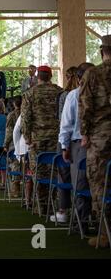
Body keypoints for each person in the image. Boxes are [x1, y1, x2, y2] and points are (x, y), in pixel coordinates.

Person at [79, 35, 111, 248]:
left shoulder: (93, 74)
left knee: (99, 184)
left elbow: (86, 107)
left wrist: (85, 133)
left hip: (101, 138)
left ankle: (105, 234)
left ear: (102, 52)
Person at [55, 63, 94, 228]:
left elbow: (66, 124)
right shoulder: (103, 93)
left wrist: (64, 147)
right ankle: (98, 223)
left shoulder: (73, 95)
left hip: (80, 144)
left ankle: (81, 223)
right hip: (100, 143)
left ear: (78, 78)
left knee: (80, 185)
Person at [21, 65, 63, 215]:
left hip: (37, 140)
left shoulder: (30, 93)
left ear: (38, 76)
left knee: (38, 172)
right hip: (56, 138)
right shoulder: (60, 92)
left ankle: (41, 206)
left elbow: (26, 118)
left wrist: (27, 138)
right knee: (55, 171)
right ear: (50, 76)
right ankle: (55, 205)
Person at [50, 66, 80, 223]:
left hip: (68, 138)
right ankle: (82, 212)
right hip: (85, 140)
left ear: (68, 77)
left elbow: (62, 121)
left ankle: (63, 211)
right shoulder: (89, 93)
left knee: (63, 174)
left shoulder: (65, 95)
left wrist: (63, 145)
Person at [3, 96, 22, 196]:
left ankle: (15, 189)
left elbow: (9, 132)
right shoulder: (27, 113)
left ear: (14, 104)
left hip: (14, 145)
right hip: (26, 144)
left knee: (15, 166)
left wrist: (5, 144)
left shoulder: (11, 115)